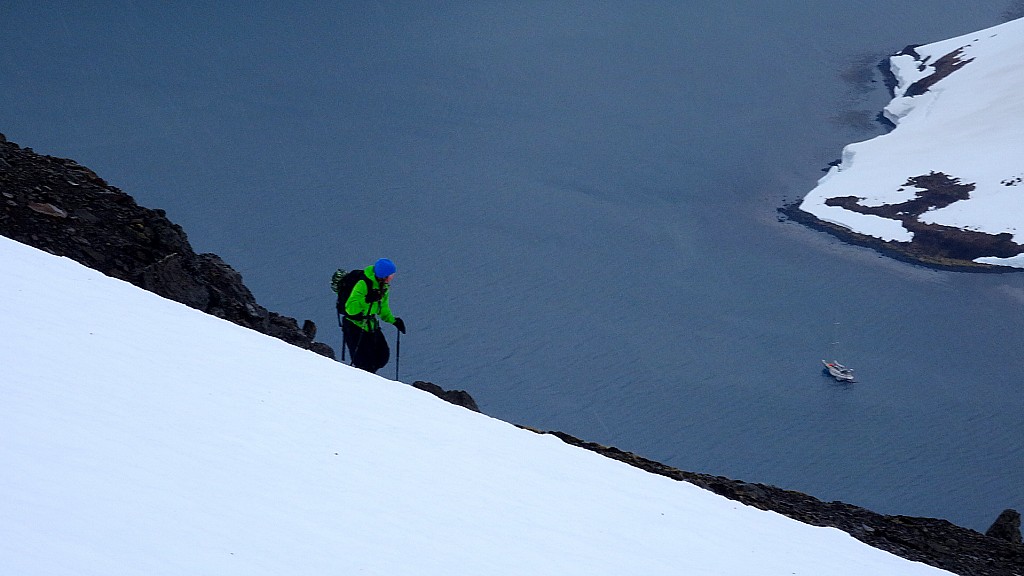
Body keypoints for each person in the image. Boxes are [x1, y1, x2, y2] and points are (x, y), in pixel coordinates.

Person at [340, 258, 406, 374]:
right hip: (354, 326)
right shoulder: (363, 284)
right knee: (364, 364)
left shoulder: (383, 287)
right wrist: (366, 300)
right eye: (391, 275)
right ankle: (363, 384)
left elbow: (383, 309)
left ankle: (370, 381)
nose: (392, 277)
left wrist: (394, 321)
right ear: (384, 275)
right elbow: (350, 309)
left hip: (370, 325)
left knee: (382, 357)